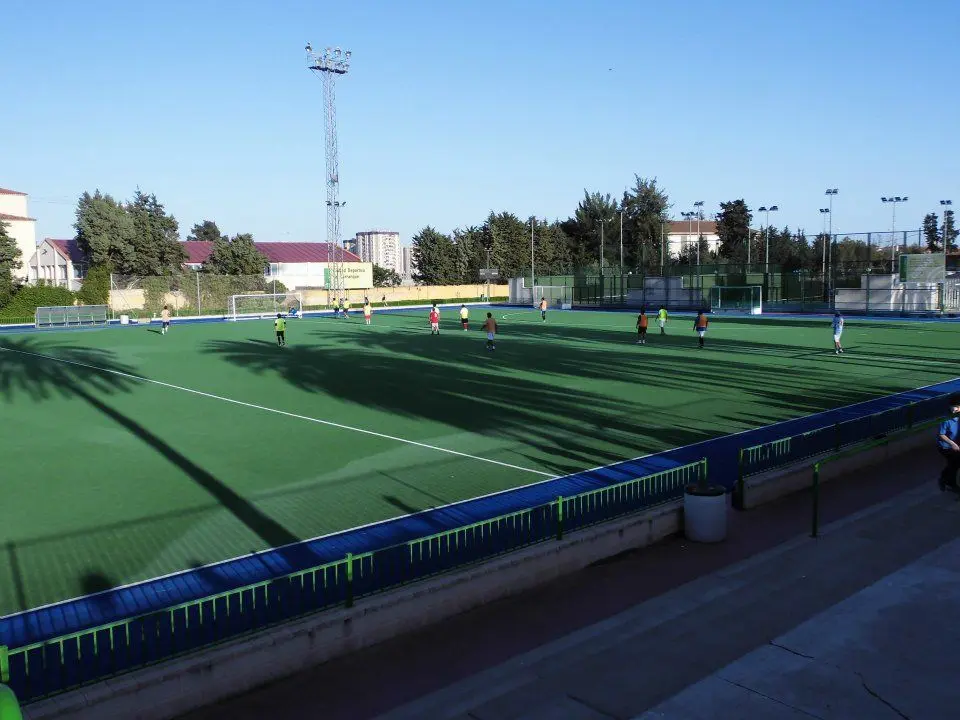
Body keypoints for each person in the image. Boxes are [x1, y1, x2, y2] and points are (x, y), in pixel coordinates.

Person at [937, 395, 960, 492]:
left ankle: (944, 479)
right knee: (955, 463)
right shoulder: (946, 419)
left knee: (954, 464)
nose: (956, 409)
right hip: (946, 447)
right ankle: (949, 482)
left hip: (957, 444)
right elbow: (941, 434)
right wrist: (952, 444)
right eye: (955, 406)